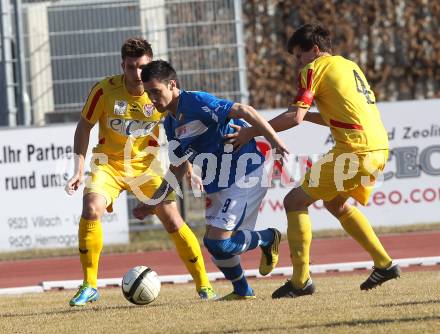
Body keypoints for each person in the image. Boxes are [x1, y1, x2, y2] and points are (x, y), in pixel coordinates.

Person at [226, 24, 401, 298]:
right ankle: (384, 264)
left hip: (354, 150)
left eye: (298, 56)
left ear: (315, 51)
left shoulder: (313, 69)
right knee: (335, 203)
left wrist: (251, 130)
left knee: (294, 201)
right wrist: (307, 115)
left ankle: (300, 282)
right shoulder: (348, 65)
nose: (297, 63)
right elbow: (333, 116)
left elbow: (293, 117)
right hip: (377, 147)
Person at [65, 37, 216, 306]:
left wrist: (190, 169)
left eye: (142, 67)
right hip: (109, 165)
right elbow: (84, 126)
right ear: (122, 65)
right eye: (131, 67)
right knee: (90, 208)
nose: (136, 74)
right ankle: (89, 285)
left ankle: (204, 285)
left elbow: (181, 136)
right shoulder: (104, 91)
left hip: (147, 168)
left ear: (151, 64)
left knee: (172, 219)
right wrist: (78, 168)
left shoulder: (159, 92)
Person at [133, 59, 287, 300]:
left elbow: (244, 110)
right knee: (216, 249)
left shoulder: (196, 102)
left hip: (244, 172)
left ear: (172, 84)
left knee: (219, 243)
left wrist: (275, 140)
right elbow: (177, 167)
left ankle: (268, 237)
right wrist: (152, 202)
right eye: (148, 93)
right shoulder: (171, 123)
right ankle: (242, 291)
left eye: (156, 91)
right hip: (217, 180)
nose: (152, 99)